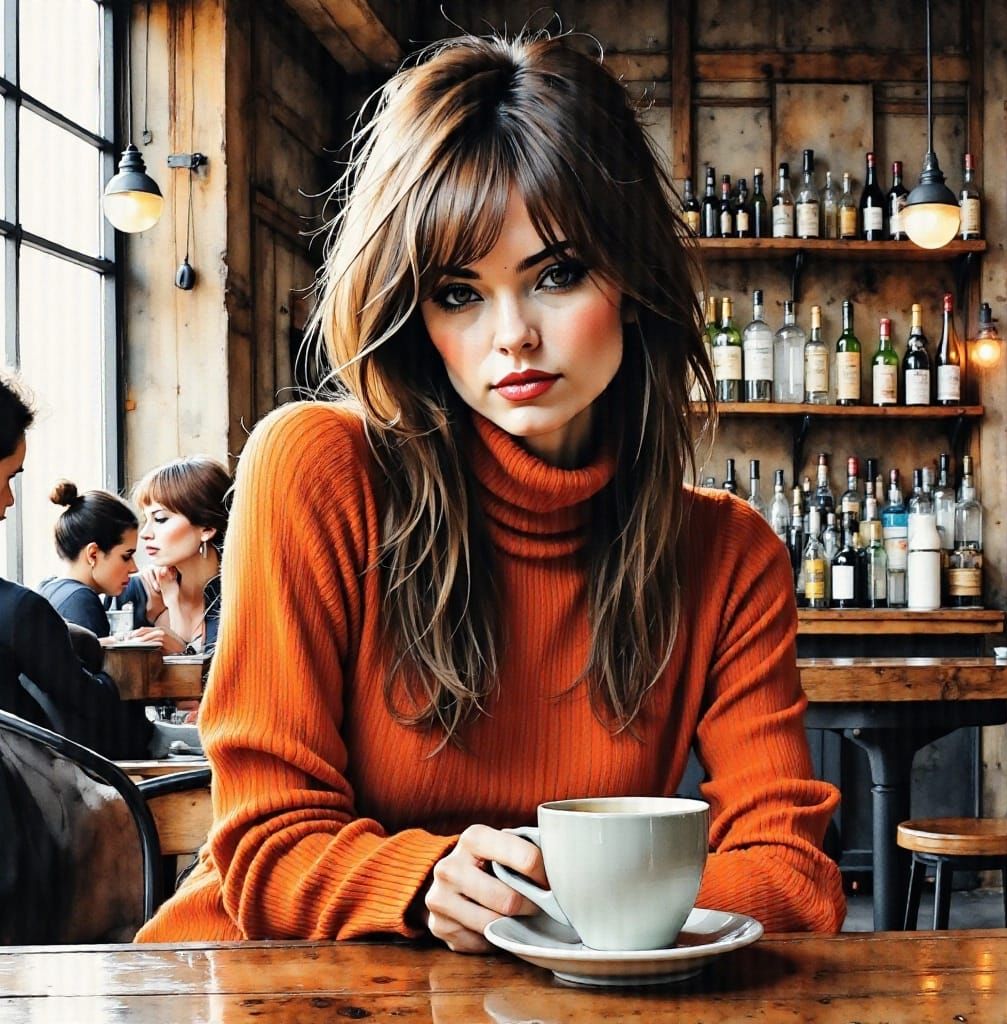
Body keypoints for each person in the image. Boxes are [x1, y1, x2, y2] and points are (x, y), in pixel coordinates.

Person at [137, 31, 845, 948]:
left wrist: (556, 898)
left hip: (556, 996)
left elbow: (794, 878)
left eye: (556, 274)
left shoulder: (727, 554)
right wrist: (427, 879)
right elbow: (263, 848)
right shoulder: (316, 468)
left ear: (630, 278)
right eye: (458, 293)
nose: (512, 335)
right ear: (412, 312)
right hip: (261, 980)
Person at [0, 373, 152, 759]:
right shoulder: (23, 610)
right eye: (7, 478)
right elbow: (92, 707)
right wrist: (104, 659)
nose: (10, 500)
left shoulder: (40, 600)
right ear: (93, 553)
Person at [116, 456, 231, 656]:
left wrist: (182, 650)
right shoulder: (136, 592)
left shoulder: (239, 598)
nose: (145, 534)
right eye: (147, 519)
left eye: (160, 519)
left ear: (207, 528)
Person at [38, 481, 139, 639]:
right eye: (126, 556)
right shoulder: (81, 601)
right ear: (93, 554)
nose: (134, 569)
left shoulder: (49, 589)